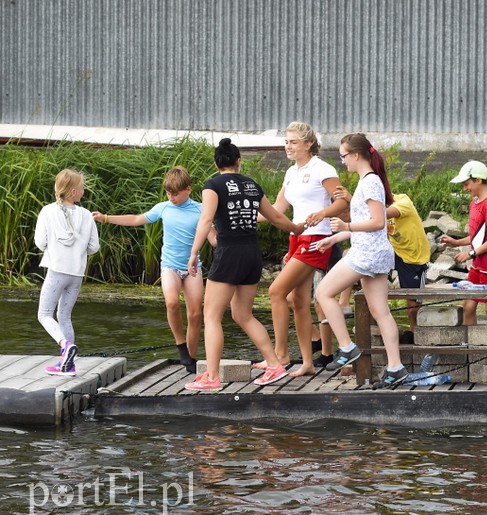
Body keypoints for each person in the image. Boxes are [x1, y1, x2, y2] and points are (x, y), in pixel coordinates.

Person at [184, 138, 304, 392]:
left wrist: (194, 252)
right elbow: (275, 217)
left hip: (228, 253)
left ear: (217, 163)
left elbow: (206, 219)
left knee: (211, 315)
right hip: (252, 253)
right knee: (242, 315)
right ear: (238, 162)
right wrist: (295, 228)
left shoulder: (212, 185)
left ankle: (212, 376)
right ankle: (274, 364)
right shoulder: (251, 184)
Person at [92, 166, 215, 373]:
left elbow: (212, 237)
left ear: (188, 190)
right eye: (168, 193)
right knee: (172, 302)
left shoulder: (201, 209)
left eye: (175, 193)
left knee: (195, 315)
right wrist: (105, 217)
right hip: (170, 266)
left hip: (193, 267)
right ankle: (181, 346)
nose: (171, 197)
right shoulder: (164, 208)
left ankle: (191, 360)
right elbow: (136, 219)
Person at [313, 133, 408, 388]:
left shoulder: (369, 182)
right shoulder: (368, 181)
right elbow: (368, 223)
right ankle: (395, 367)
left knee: (323, 293)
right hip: (374, 252)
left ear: (356, 155)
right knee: (381, 312)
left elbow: (378, 222)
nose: (343, 161)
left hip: (367, 253)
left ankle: (346, 347)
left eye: (344, 156)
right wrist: (335, 238)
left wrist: (346, 224)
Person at [253, 122, 348, 377]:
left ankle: (281, 355)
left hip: (317, 238)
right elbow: (277, 210)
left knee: (276, 291)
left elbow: (342, 201)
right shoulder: (290, 172)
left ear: (308, 144)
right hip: (298, 238)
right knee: (297, 300)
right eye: (286, 141)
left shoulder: (323, 169)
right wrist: (244, 218)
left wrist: (323, 213)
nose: (288, 146)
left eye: (293, 142)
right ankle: (307, 363)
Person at [333, 185, 430, 342]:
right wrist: (332, 238)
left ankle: (414, 333)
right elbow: (365, 225)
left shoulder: (403, 201)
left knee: (412, 307)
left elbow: (381, 215)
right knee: (349, 253)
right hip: (392, 250)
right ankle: (344, 303)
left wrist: (351, 199)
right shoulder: (375, 211)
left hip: (414, 257)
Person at [35, 169, 100, 376]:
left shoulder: (47, 211)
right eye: (81, 187)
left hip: (56, 271)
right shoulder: (86, 215)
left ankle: (65, 346)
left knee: (44, 314)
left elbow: (40, 242)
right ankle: (69, 365)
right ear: (73, 192)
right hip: (76, 274)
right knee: (64, 315)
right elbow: (93, 247)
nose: (83, 190)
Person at [440, 161, 487, 326]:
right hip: (478, 264)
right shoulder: (475, 202)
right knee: (468, 305)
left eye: (467, 184)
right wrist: (456, 242)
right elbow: (478, 236)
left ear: (479, 180)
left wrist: (470, 253)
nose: (465, 188)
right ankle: (470, 348)